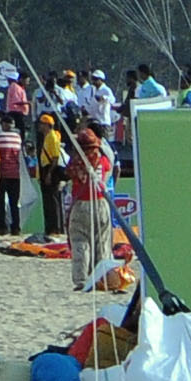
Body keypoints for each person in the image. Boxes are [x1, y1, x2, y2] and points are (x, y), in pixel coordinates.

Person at [65, 122, 116, 294]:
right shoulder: (103, 160)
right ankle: (101, 278)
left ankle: (81, 279)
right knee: (102, 243)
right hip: (101, 203)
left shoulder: (75, 162)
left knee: (80, 241)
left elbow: (69, 174)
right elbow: (109, 172)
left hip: (81, 204)